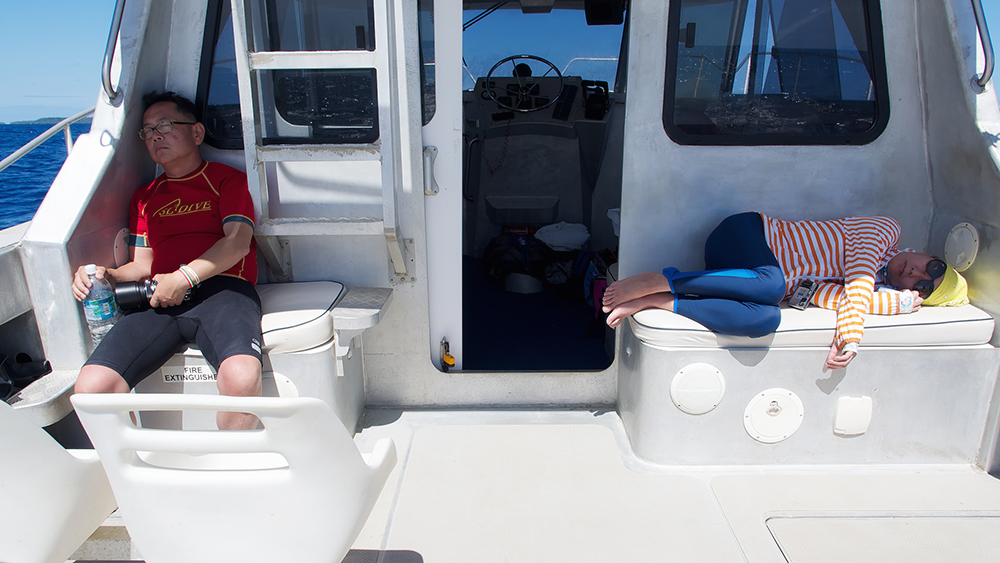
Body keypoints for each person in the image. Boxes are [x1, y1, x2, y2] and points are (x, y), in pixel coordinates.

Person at [71, 91, 262, 430]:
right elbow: (142, 265)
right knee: (92, 387)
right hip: (159, 296)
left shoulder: (228, 181)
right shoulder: (145, 197)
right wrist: (106, 276)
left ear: (197, 133)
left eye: (165, 125)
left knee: (242, 378)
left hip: (224, 291)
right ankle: (133, 472)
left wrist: (184, 277)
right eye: (147, 131)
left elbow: (237, 243)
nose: (155, 135)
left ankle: (234, 467)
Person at [602, 212, 969, 370]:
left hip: (749, 279)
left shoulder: (864, 285)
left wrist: (896, 303)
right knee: (774, 284)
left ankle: (658, 299)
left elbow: (826, 298)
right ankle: (662, 279)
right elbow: (858, 281)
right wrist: (850, 339)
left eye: (922, 285)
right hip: (745, 234)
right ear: (924, 251)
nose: (917, 272)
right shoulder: (885, 230)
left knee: (768, 315)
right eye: (930, 265)